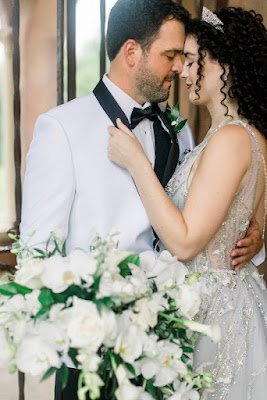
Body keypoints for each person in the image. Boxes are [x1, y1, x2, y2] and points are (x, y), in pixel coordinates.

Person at [20, 0, 262, 398]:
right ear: (132, 52)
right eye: (170, 56)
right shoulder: (62, 127)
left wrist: (251, 239)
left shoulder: (179, 133)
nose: (178, 68)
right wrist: (82, 338)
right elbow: (38, 255)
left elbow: (200, 216)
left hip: (173, 347)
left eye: (183, 57)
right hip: (97, 357)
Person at [108, 7, 267, 399]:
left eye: (194, 61)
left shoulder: (231, 139)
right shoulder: (242, 137)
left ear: (225, 67)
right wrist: (257, 238)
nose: (182, 71)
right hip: (217, 304)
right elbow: (250, 225)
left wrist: (136, 162)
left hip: (215, 318)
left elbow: (184, 243)